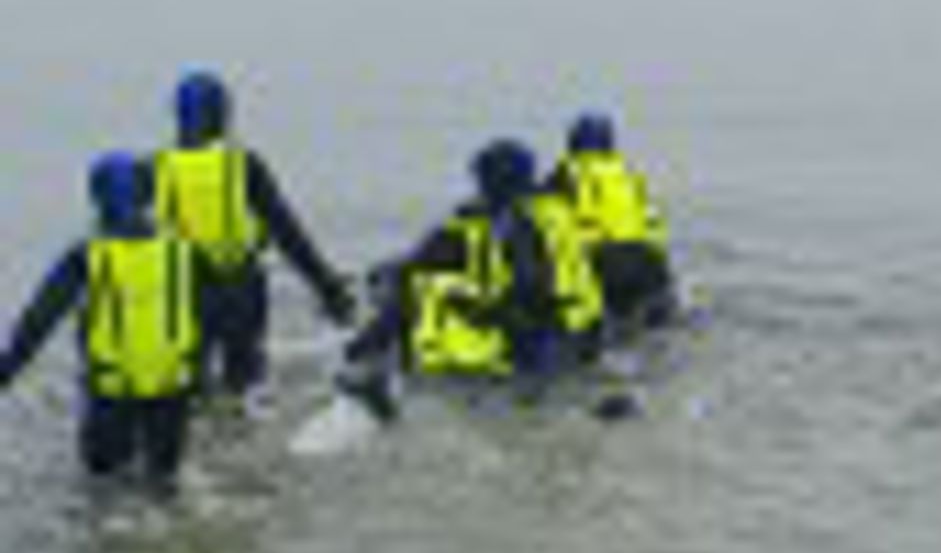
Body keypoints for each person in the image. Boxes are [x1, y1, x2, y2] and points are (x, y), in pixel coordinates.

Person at [0, 151, 202, 486]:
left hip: (111, 398)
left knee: (103, 498)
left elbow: (37, 324)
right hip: (171, 396)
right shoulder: (181, 252)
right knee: (164, 490)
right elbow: (204, 320)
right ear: (147, 196)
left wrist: (6, 374)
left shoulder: (85, 257)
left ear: (98, 200)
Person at [153, 70, 354, 391]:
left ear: (178, 117)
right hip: (240, 289)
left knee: (187, 385)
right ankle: (243, 432)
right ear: (223, 116)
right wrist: (327, 287)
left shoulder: (155, 169)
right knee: (245, 382)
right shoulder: (242, 164)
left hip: (182, 296)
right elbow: (287, 232)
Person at [355, 137, 606, 389]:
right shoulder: (557, 213)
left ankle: (370, 359)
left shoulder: (481, 227)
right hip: (584, 331)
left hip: (524, 346)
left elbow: (416, 269)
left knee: (419, 289)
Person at [545, 112, 676, 331]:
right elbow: (655, 222)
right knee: (653, 328)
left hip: (601, 259)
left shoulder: (565, 173)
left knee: (607, 331)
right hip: (648, 260)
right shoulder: (629, 174)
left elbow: (548, 225)